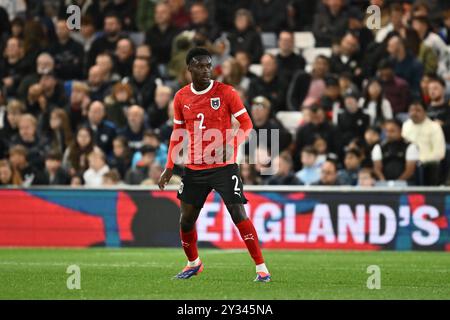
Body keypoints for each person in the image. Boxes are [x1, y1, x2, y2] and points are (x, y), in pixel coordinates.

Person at [158, 47, 270, 282]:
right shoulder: (181, 97)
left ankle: (261, 268)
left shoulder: (227, 92)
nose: (206, 70)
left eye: (209, 65)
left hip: (223, 166)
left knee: (238, 213)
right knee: (186, 219)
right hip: (194, 168)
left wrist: (232, 143)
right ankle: (193, 263)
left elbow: (247, 124)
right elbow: (177, 133)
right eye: (200, 65)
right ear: (189, 68)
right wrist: (169, 166)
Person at [402, 101, 445, 185]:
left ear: (425, 112)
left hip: (427, 163)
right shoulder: (405, 125)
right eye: (412, 110)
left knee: (428, 166)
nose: (414, 113)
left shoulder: (434, 127)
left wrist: (420, 160)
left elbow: (440, 153)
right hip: (408, 162)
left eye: (418, 110)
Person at [371, 119, 419, 183]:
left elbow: (410, 171)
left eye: (392, 131)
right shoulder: (378, 147)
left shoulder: (410, 146)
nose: (388, 134)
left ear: (400, 131)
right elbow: (377, 169)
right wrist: (385, 183)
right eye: (386, 131)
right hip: (384, 184)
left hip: (406, 183)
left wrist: (396, 184)